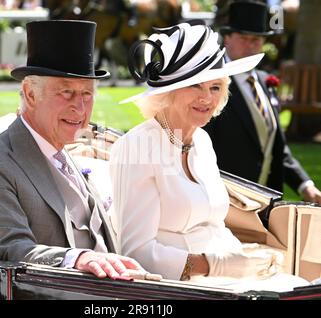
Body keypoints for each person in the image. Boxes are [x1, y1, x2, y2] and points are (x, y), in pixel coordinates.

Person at [109, 22, 309, 290]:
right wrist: (217, 264)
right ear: (168, 92)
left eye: (215, 87)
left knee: (302, 286)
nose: (207, 98)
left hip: (225, 278)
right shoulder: (139, 146)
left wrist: (247, 259)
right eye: (195, 86)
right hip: (174, 288)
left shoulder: (202, 141)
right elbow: (135, 253)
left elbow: (214, 226)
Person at [0, 20, 144, 280]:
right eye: (66, 92)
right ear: (30, 94)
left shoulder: (62, 151)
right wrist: (78, 258)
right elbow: (6, 251)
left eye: (87, 95)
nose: (80, 109)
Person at [203, 1, 321, 204]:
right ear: (227, 38)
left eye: (256, 39)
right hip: (224, 200)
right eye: (243, 38)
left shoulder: (266, 82)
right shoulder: (210, 85)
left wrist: (306, 186)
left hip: (266, 200)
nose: (250, 46)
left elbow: (275, 147)